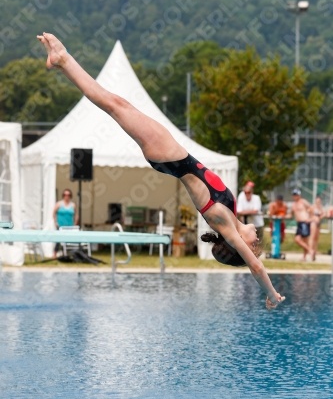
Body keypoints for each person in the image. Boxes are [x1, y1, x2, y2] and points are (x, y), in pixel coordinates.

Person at [37, 32, 285, 310]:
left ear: (244, 246)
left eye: (256, 243)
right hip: (171, 156)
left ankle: (63, 59)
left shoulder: (227, 226)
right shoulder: (231, 217)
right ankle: (61, 61)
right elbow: (252, 260)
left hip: (170, 155)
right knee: (116, 105)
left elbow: (255, 267)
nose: (257, 237)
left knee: (114, 105)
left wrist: (271, 293)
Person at [53, 188, 78, 258]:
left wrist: (75, 224)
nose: (66, 196)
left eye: (68, 195)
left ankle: (65, 253)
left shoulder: (73, 205)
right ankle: (55, 254)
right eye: (65, 195)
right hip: (60, 225)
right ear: (63, 195)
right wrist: (55, 222)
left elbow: (76, 215)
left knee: (67, 240)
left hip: (69, 226)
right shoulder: (59, 204)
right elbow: (54, 213)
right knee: (58, 240)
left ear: (70, 196)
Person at [290, 188, 314, 261]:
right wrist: (282, 216)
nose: (295, 196)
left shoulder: (303, 201)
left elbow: (311, 208)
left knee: (303, 240)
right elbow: (291, 215)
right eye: (294, 195)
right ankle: (308, 252)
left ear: (299, 195)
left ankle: (307, 254)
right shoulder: (293, 205)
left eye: (296, 195)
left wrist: (310, 218)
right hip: (299, 223)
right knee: (300, 240)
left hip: (305, 222)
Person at [309, 194, 325, 259]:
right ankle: (310, 250)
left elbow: (324, 213)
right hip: (314, 222)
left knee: (316, 238)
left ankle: (315, 251)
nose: (318, 202)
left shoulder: (321, 207)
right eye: (317, 200)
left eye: (319, 201)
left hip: (318, 223)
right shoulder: (313, 207)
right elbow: (311, 215)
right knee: (312, 237)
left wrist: (320, 217)